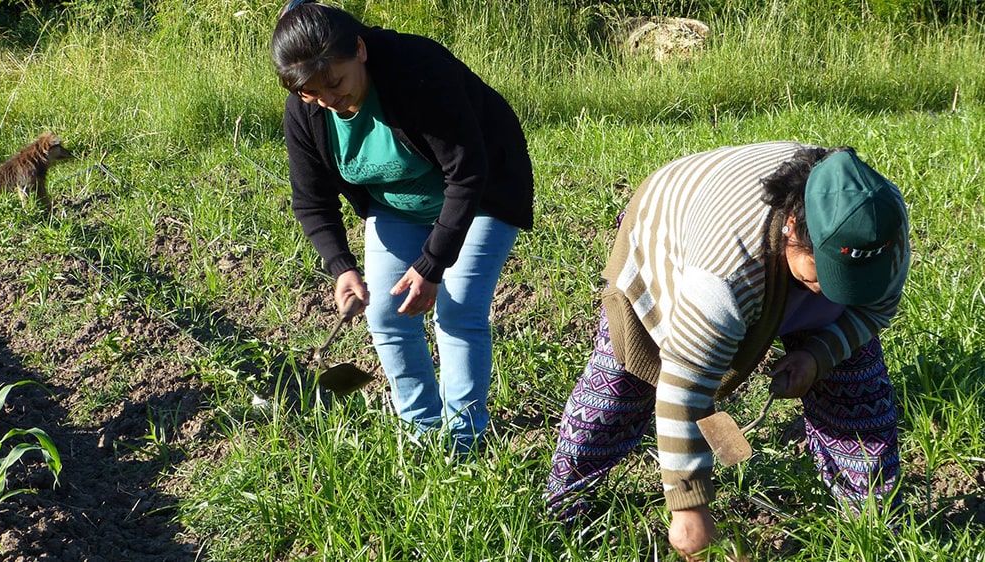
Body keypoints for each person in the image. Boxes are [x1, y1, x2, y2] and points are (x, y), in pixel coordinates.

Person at [545, 142, 910, 560]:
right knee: (621, 387)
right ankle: (562, 505)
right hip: (673, 228)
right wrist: (688, 506)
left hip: (770, 256)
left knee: (855, 385)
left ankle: (875, 525)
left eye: (853, 280)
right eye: (824, 274)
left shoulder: (879, 225)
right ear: (792, 226)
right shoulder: (724, 270)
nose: (834, 293)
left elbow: (874, 309)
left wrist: (818, 355)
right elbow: (683, 388)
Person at [270, 2, 534, 456]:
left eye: (334, 82)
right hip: (398, 205)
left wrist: (432, 265)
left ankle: (464, 442)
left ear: (359, 49)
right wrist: (341, 266)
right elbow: (311, 200)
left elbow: (468, 172)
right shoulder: (306, 110)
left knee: (457, 310)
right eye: (312, 93)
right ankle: (422, 432)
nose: (327, 99)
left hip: (482, 195)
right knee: (386, 316)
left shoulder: (416, 69)